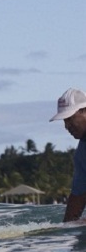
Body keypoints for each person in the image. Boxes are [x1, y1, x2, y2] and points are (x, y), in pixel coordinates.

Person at [49, 88, 86, 222]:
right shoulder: (81, 154)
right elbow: (79, 195)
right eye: (64, 121)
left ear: (84, 111)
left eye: (69, 119)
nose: (66, 126)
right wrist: (67, 227)